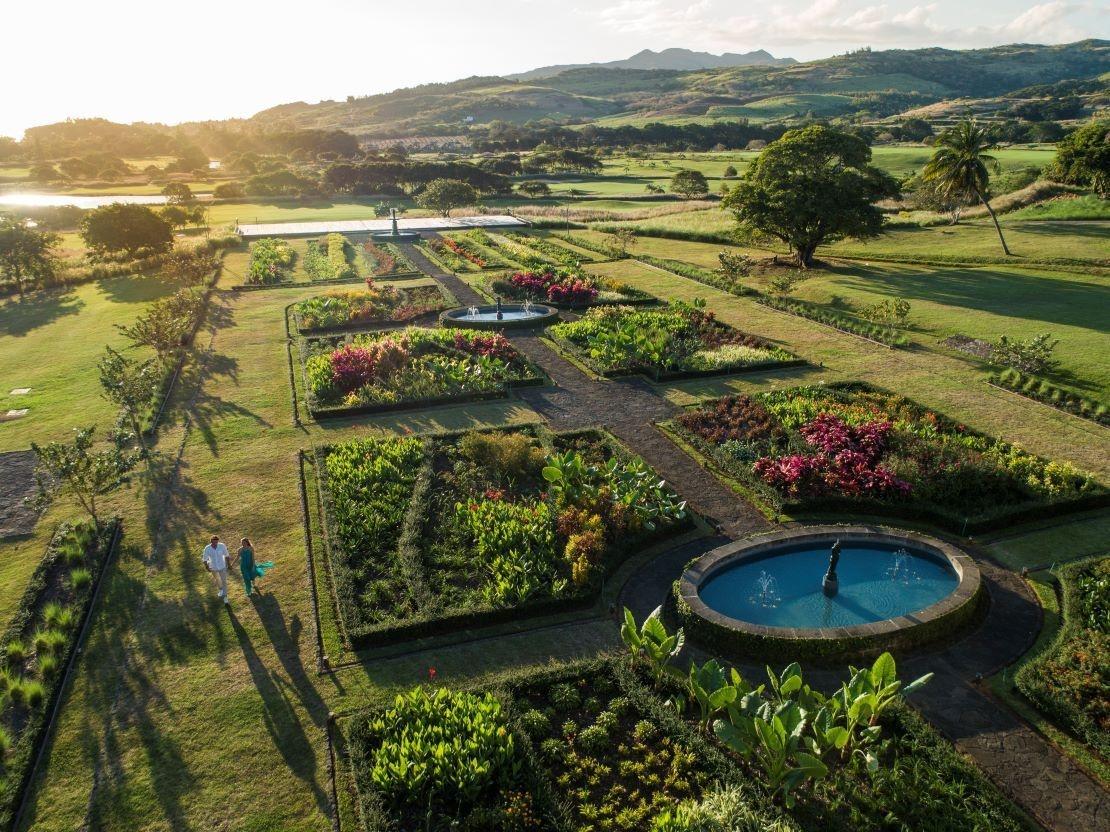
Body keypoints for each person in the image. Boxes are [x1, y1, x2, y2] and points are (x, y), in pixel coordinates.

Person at [202, 535, 231, 605]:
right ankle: (220, 589)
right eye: (214, 542)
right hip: (213, 567)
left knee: (224, 581)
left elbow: (227, 555)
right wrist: (207, 567)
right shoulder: (207, 548)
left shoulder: (222, 546)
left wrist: (229, 564)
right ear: (211, 541)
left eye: (216, 542)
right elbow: (204, 559)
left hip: (222, 566)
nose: (215, 544)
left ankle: (225, 597)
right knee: (217, 579)